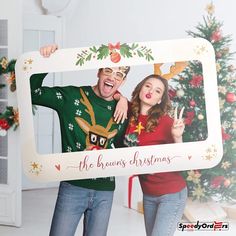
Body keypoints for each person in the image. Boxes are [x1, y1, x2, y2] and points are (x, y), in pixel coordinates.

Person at [30, 44, 130, 236]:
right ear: (99, 72)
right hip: (73, 187)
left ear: (123, 81)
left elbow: (123, 147)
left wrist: (123, 99)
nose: (112, 77)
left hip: (105, 192)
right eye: (108, 71)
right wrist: (45, 62)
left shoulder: (124, 110)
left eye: (119, 75)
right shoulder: (71, 97)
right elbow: (33, 93)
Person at [123, 74, 187, 236]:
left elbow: (182, 160)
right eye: (148, 86)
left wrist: (177, 137)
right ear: (140, 89)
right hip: (148, 194)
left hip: (171, 193)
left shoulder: (166, 122)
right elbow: (115, 96)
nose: (151, 91)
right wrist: (120, 99)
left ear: (160, 100)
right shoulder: (129, 115)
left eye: (157, 91)